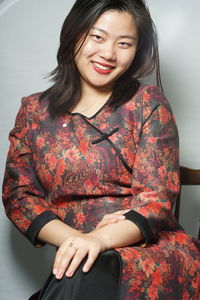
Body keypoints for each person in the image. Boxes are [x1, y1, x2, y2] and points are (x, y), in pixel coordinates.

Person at [2, 0, 200, 299]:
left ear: (137, 51)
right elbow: (19, 197)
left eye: (124, 43)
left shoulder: (148, 103)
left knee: (85, 269)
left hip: (151, 254)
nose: (108, 54)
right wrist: (79, 241)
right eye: (97, 37)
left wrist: (99, 241)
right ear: (74, 33)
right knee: (82, 268)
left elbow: (156, 200)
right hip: (83, 258)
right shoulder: (34, 110)